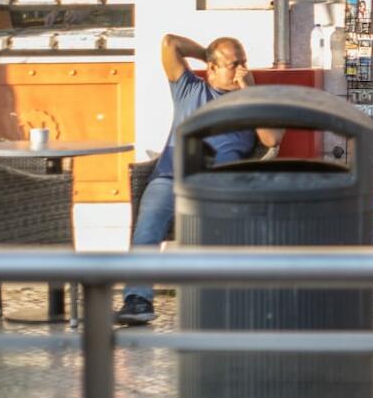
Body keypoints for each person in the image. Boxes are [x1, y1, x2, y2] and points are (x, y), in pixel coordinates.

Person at [113, 34, 282, 325]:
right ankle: (138, 300)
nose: (241, 69)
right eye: (233, 64)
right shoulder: (189, 88)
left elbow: (272, 138)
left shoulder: (254, 99)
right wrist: (206, 52)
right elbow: (168, 44)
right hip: (171, 178)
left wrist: (249, 91)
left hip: (218, 184)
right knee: (149, 223)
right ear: (211, 69)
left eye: (244, 63)